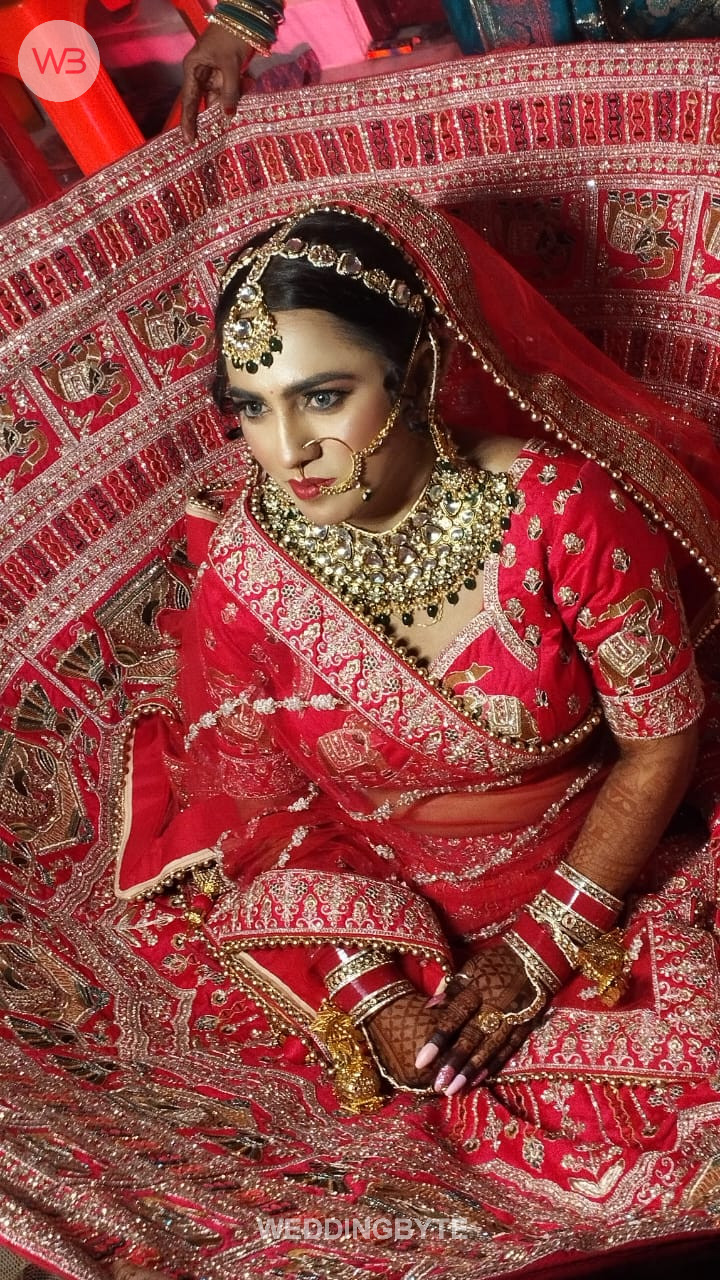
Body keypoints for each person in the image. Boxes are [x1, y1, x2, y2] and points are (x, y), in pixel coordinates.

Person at [114, 182, 720, 1248]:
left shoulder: (563, 515)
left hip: (596, 859)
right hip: (380, 894)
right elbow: (270, 811)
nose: (286, 449)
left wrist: (544, 946)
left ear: (424, 369)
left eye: (322, 395)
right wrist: (372, 987)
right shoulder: (251, 576)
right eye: (251, 406)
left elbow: (660, 743)